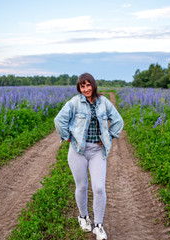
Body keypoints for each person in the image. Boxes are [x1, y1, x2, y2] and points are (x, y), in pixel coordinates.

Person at [54, 73, 124, 240]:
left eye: (88, 85)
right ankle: (83, 217)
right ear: (79, 88)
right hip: (78, 151)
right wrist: (68, 137)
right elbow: (59, 120)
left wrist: (109, 137)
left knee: (99, 188)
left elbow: (118, 121)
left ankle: (98, 225)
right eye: (82, 86)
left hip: (97, 151)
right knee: (82, 186)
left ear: (93, 85)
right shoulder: (74, 102)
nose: (85, 89)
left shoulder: (104, 102)